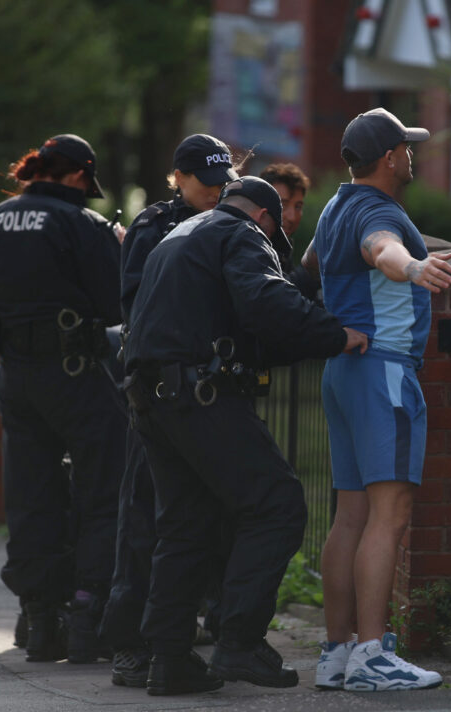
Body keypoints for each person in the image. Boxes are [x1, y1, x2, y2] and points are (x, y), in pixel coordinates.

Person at [123, 176, 369, 696]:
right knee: (276, 503)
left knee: (185, 523)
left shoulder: (184, 233)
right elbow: (264, 302)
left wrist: (301, 336)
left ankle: (167, 659)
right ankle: (239, 639)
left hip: (152, 398)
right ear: (264, 218)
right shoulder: (242, 234)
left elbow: (246, 328)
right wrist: (334, 334)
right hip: (198, 394)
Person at [305, 108, 451, 691]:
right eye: (407, 148)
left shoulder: (335, 207)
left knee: (351, 518)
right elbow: (381, 249)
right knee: (388, 518)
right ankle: (372, 655)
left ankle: (338, 652)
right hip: (384, 373)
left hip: (343, 371)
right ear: (389, 158)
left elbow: (316, 266)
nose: (412, 155)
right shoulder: (377, 210)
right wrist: (414, 266)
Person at [0, 133, 125, 665]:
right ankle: (88, 613)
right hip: (75, 372)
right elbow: (114, 303)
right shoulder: (82, 224)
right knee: (102, 488)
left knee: (32, 494)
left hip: (15, 377)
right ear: (80, 176)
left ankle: (40, 618)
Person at [100, 133, 239, 688]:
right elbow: (135, 305)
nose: (214, 192)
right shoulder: (153, 226)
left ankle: (182, 636)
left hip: (209, 393)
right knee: (144, 518)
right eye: (205, 183)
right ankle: (130, 643)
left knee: (202, 518)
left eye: (221, 183)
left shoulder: (228, 222)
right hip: (158, 391)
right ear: (177, 177)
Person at [260, 162, 320, 298]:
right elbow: (274, 297)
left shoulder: (284, 250)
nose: (292, 217)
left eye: (298, 207)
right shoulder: (247, 246)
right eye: (283, 205)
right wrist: (311, 269)